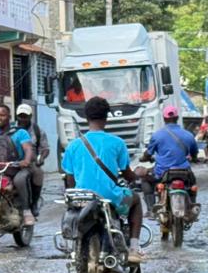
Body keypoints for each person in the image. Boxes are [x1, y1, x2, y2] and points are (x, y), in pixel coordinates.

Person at [61, 96, 146, 263]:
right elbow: (127, 174)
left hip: (82, 198)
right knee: (136, 200)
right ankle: (134, 248)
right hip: (110, 197)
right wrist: (137, 177)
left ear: (86, 117)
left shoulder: (73, 145)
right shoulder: (117, 143)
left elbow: (70, 180)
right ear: (107, 117)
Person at [142, 105, 200, 213]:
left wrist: (144, 158)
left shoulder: (157, 135)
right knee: (192, 185)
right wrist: (195, 158)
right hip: (185, 172)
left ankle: (150, 210)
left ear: (164, 119)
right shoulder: (188, 135)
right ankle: (192, 206)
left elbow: (148, 153)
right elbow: (194, 153)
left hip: (162, 173)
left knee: (145, 180)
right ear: (177, 118)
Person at [15, 102, 50, 215]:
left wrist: (41, 157)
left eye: (25, 116)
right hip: (13, 162)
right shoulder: (11, 129)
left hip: (30, 163)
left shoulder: (37, 130)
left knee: (38, 173)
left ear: (30, 116)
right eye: (20, 116)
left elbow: (45, 148)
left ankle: (34, 202)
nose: (22, 119)